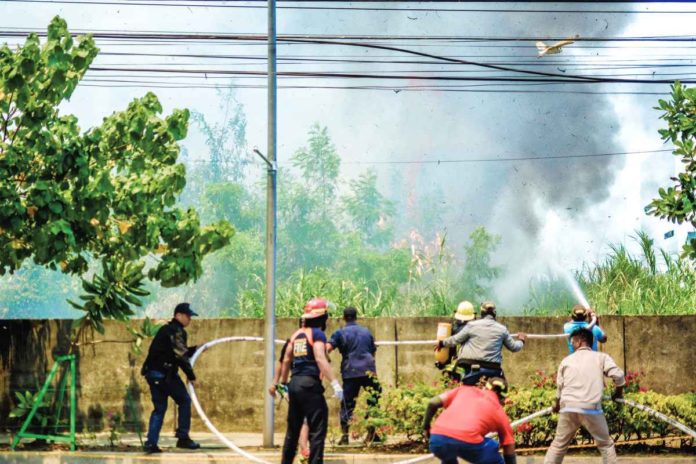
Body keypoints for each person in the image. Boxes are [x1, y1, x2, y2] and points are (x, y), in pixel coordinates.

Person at [544, 327, 625, 464]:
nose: (571, 345)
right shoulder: (601, 358)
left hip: (568, 407)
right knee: (606, 445)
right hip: (591, 408)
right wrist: (618, 394)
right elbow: (619, 375)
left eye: (572, 342)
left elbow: (560, 389)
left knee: (558, 445)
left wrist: (556, 405)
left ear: (580, 341)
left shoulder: (566, 361)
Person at [278, 298, 344, 464]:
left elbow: (286, 359)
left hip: (295, 384)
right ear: (322, 318)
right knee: (317, 429)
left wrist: (284, 384)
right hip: (309, 384)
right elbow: (321, 358)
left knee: (293, 431)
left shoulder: (296, 334)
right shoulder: (317, 333)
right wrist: (335, 384)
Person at [141, 302, 201, 453]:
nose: (189, 319)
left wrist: (197, 349)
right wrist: (191, 376)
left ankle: (151, 443)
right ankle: (183, 438)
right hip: (164, 375)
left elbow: (178, 352)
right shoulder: (176, 331)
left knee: (159, 409)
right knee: (184, 400)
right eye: (187, 316)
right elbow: (181, 356)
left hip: (153, 373)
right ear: (178, 315)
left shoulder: (166, 330)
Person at [423, 377, 518, 464]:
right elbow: (509, 446)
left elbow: (432, 403)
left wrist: (426, 428)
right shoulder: (499, 411)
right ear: (502, 398)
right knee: (492, 446)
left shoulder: (464, 390)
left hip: (437, 439)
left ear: (485, 387)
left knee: (448, 456)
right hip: (467, 440)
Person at [436, 301, 527, 385]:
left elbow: (455, 340)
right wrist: (521, 340)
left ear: (481, 313)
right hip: (492, 369)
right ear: (494, 313)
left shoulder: (471, 326)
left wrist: (442, 343)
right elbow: (514, 347)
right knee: (501, 389)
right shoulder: (502, 329)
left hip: (469, 367)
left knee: (461, 387)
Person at [327, 307, 381, 445]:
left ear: (344, 317)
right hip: (368, 370)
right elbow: (373, 351)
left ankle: (345, 436)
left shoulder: (340, 333)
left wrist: (324, 359)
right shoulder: (366, 332)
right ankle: (372, 434)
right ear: (356, 317)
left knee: (348, 404)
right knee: (373, 401)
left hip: (350, 371)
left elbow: (328, 348)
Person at [269, 319, 310, 461]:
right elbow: (283, 362)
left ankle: (301, 450)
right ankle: (304, 449)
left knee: (301, 419)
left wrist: (278, 383)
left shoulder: (296, 341)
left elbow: (283, 362)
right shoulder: (309, 341)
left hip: (297, 384)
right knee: (303, 419)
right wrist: (277, 383)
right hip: (303, 385)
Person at [435, 300, 476, 373]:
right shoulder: (478, 328)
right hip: (476, 363)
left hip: (460, 363)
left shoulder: (455, 330)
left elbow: (451, 347)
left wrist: (443, 362)